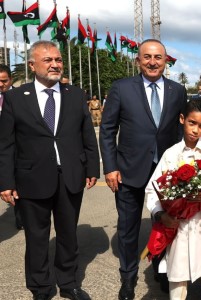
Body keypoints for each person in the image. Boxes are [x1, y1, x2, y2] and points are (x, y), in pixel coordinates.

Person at [0, 40, 100, 300]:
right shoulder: (14, 99)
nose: (55, 64)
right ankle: (40, 288)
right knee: (36, 237)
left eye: (58, 59)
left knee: (68, 234)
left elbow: (87, 135)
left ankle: (69, 283)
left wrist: (92, 168)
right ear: (32, 65)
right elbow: (6, 144)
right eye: (48, 60)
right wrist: (5, 182)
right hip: (31, 178)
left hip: (70, 176)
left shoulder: (75, 94)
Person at [100, 38, 188, 300]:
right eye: (147, 57)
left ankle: (163, 272)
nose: (152, 62)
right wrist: (111, 166)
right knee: (128, 227)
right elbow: (107, 130)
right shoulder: (121, 88)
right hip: (128, 171)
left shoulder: (178, 90)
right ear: (138, 60)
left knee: (167, 224)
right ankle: (128, 277)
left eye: (158, 57)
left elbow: (182, 129)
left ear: (165, 60)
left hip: (167, 173)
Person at [145, 99, 201, 300]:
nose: (195, 130)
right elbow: (152, 190)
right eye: (192, 123)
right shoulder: (171, 154)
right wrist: (161, 214)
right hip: (179, 227)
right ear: (182, 119)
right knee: (178, 281)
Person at [0, 64, 22, 230]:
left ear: (11, 79)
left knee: (17, 185)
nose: (1, 84)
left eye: (4, 81)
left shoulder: (20, 97)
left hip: (15, 151)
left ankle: (21, 217)